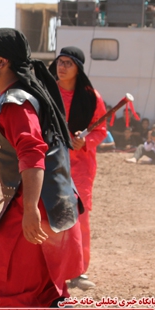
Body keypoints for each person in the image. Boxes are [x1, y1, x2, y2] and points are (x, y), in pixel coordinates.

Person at [0, 29, 84, 310]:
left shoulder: (16, 103)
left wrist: (31, 209)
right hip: (57, 205)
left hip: (35, 207)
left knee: (14, 290)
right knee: (49, 289)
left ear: (2, 60)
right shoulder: (29, 96)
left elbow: (33, 151)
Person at [48, 46, 107, 292]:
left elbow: (100, 131)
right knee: (50, 214)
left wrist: (86, 141)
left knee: (78, 216)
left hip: (81, 165)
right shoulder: (47, 92)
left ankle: (78, 270)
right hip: (51, 161)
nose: (61, 67)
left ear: (78, 68)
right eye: (59, 62)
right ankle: (51, 268)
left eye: (67, 63)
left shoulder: (91, 96)